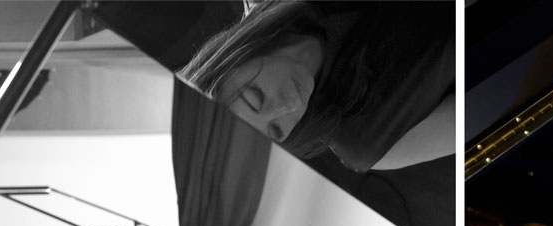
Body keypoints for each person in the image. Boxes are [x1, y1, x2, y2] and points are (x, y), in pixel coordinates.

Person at [179, 0, 454, 173]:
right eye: (276, 131)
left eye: (257, 97)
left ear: (228, 62)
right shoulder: (368, 143)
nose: (290, 105)